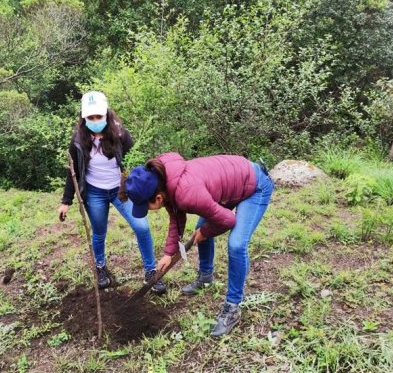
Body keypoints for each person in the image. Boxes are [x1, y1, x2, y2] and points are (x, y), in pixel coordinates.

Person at [125, 152, 274, 336]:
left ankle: (233, 307)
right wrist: (168, 253)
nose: (147, 210)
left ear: (158, 198)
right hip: (230, 184)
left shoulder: (187, 193)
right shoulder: (164, 178)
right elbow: (177, 218)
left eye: (146, 206)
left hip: (255, 185)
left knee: (236, 244)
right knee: (201, 225)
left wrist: (205, 232)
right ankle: (205, 277)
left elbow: (228, 220)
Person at [58, 91, 166, 294]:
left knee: (142, 227)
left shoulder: (120, 135)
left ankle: (151, 272)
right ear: (84, 117)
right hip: (94, 193)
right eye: (90, 117)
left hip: (121, 191)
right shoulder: (78, 141)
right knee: (99, 233)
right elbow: (72, 172)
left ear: (106, 114)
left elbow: (134, 163)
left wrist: (145, 188)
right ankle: (100, 268)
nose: (95, 120)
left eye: (99, 116)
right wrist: (66, 201)